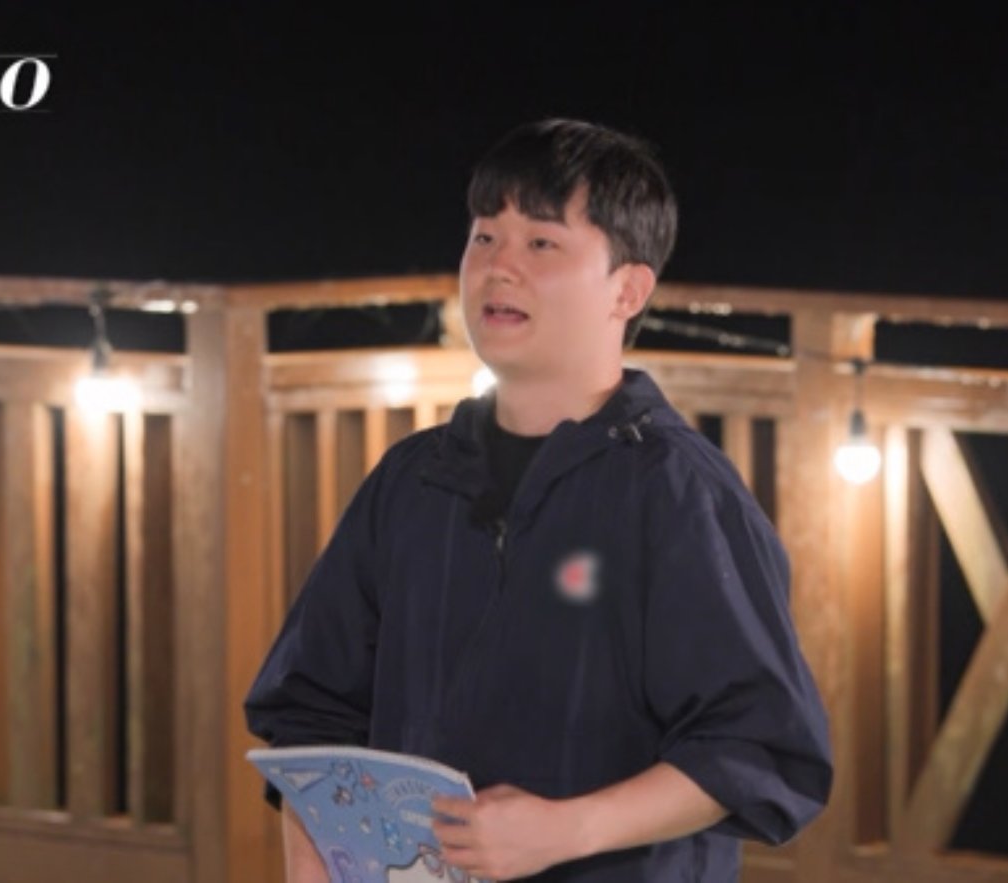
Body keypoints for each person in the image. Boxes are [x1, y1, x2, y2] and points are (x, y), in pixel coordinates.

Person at [245, 118, 832, 882]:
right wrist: (311, 863)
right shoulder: (412, 479)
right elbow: (309, 711)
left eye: (542, 243)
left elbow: (758, 742)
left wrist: (562, 830)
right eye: (485, 236)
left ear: (628, 289)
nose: (499, 267)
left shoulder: (679, 493)